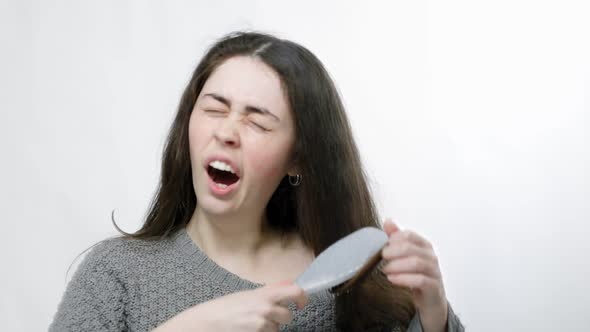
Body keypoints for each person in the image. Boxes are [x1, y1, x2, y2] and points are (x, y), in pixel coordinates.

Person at [49, 31, 464, 332]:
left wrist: (434, 315)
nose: (227, 131)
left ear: (297, 159)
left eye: (257, 121)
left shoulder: (352, 290)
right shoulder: (117, 274)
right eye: (214, 109)